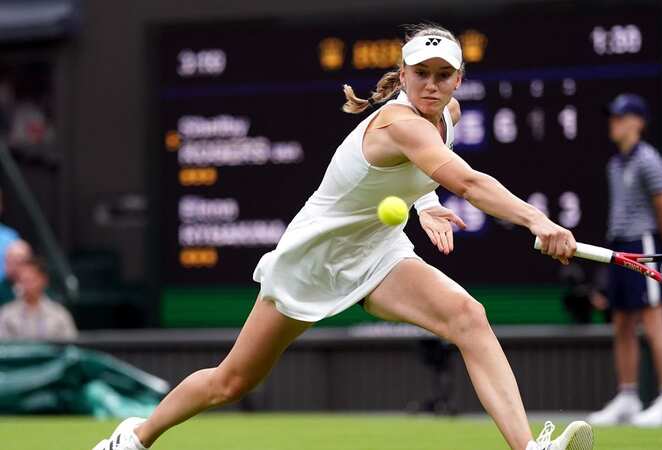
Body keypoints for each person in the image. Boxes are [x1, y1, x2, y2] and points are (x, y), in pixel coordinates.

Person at [93, 24, 591, 450]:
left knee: (468, 316)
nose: (432, 86)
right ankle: (135, 437)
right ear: (403, 75)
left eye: (444, 76)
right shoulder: (397, 121)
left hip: (378, 251)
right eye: (422, 74)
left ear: (459, 79)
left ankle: (527, 446)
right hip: (314, 260)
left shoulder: (450, 115)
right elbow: (468, 180)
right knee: (232, 381)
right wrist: (537, 220)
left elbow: (430, 173)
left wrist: (426, 202)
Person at [587, 94, 662, 427]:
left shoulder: (649, 160)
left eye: (621, 117)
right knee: (622, 323)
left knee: (654, 320)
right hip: (619, 247)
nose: (614, 123)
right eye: (612, 117)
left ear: (638, 122)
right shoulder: (614, 164)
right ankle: (628, 397)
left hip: (645, 245)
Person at [0, 256, 77, 340]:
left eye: (31, 280)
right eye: (23, 280)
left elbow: (70, 348)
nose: (26, 285)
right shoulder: (6, 314)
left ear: (44, 280)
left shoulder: (59, 314)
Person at [0, 239, 32, 303]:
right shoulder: (1, 289)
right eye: (7, 261)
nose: (8, 266)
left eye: (15, 262)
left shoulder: (37, 283)